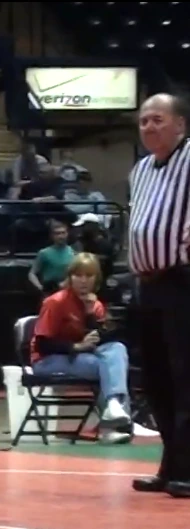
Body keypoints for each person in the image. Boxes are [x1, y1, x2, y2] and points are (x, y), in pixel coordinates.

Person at [126, 93, 190, 497]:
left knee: (186, 376)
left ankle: (187, 469)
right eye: (144, 121)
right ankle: (171, 464)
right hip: (148, 284)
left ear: (180, 125)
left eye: (158, 120)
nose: (149, 127)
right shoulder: (140, 170)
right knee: (156, 378)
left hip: (183, 280)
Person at [29, 252, 133, 445]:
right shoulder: (55, 302)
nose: (83, 281)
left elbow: (100, 341)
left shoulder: (95, 304)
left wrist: (89, 314)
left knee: (117, 350)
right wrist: (76, 346)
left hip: (82, 357)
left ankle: (113, 407)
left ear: (97, 279)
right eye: (78, 275)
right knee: (107, 367)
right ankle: (113, 421)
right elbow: (43, 344)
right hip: (47, 360)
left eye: (89, 276)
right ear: (70, 277)